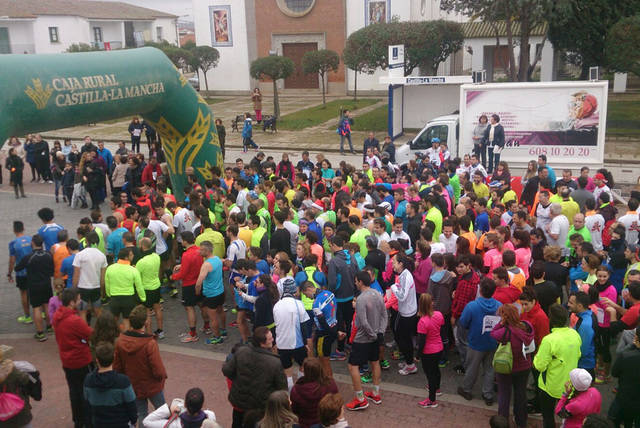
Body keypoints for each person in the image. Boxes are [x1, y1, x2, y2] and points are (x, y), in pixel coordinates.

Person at [222, 326, 287, 428]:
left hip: (240, 402)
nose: (273, 340)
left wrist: (238, 380)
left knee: (237, 423)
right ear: (262, 343)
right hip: (260, 407)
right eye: (270, 339)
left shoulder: (241, 352)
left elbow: (227, 370)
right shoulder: (274, 362)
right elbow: (282, 388)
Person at [114, 304, 168, 423]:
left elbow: (117, 367)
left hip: (134, 385)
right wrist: (162, 377)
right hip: (152, 385)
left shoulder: (120, 341)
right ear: (145, 322)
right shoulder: (150, 343)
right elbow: (158, 369)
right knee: (163, 413)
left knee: (142, 416)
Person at [533, 304, 582, 428]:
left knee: (548, 417)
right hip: (570, 385)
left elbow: (539, 366)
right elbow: (578, 354)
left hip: (549, 386)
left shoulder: (549, 340)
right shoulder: (575, 334)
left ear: (551, 320)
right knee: (568, 417)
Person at [345, 271, 387, 411]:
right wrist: (380, 332)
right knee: (375, 363)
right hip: (375, 335)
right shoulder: (377, 294)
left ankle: (360, 399)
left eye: (356, 281)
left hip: (363, 338)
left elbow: (362, 322)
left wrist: (372, 334)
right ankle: (375, 393)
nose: (355, 283)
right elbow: (384, 315)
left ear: (361, 282)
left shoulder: (361, 299)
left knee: (353, 366)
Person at [53, 288, 94, 428]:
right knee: (86, 392)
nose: (80, 301)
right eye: (78, 299)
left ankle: (78, 420)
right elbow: (89, 334)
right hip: (81, 360)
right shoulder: (74, 320)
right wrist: (82, 315)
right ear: (72, 302)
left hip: (67, 360)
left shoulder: (57, 316)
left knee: (74, 391)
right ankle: (88, 420)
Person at [457, 278, 502, 406]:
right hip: (493, 342)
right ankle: (487, 394)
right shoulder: (499, 306)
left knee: (472, 367)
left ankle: (466, 389)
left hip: (475, 342)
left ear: (480, 290)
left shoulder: (472, 306)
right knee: (489, 369)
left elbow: (463, 323)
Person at [490, 304, 535, 428]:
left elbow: (493, 333)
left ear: (505, 317)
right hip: (524, 366)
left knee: (504, 394)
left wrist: (501, 323)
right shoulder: (527, 327)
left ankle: (503, 422)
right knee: (521, 393)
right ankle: (521, 421)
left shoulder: (504, 332)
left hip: (506, 368)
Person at [84, 341, 138, 428]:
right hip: (121, 424)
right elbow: (131, 405)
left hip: (98, 423)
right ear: (114, 357)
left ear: (97, 360)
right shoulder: (123, 381)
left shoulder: (88, 380)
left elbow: (87, 405)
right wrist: (134, 420)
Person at [273, 278, 310, 392]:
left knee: (287, 371)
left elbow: (276, 325)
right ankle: (300, 391)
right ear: (294, 291)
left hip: (282, 343)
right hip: (297, 343)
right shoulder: (298, 304)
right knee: (302, 366)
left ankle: (289, 394)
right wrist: (306, 343)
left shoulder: (277, 305)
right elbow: (304, 326)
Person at [15, 234, 54, 341]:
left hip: (34, 285)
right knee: (47, 305)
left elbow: (18, 268)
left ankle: (40, 333)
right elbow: (52, 270)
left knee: (36, 307)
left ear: (32, 243)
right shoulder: (48, 254)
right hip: (46, 284)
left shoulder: (28, 257)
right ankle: (50, 327)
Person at [172, 231, 204, 343]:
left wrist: (173, 277)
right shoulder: (199, 250)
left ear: (185, 241)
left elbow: (183, 274)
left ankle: (193, 334)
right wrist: (182, 265)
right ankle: (207, 326)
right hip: (199, 282)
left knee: (189, 308)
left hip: (189, 285)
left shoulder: (186, 255)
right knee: (201, 305)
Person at [290, 358, 339, 428]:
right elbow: (336, 402)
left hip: (305, 424)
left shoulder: (297, 389)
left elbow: (295, 410)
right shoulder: (330, 384)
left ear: (305, 371)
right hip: (326, 423)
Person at [390, 254, 418, 375]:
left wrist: (393, 287)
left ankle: (410, 365)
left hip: (407, 313)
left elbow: (401, 296)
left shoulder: (406, 276)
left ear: (401, 264)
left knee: (403, 339)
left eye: (394, 262)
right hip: (406, 311)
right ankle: (408, 361)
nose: (392, 264)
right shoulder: (403, 274)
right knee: (402, 337)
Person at [416, 293, 444, 408]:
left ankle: (432, 400)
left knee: (430, 374)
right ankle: (437, 388)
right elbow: (440, 330)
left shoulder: (422, 322)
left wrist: (417, 355)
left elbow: (421, 342)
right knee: (436, 370)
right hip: (439, 348)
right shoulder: (439, 315)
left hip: (428, 352)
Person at [73, 232, 108, 322]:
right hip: (96, 287)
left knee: (82, 312)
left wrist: (74, 290)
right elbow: (102, 278)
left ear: (86, 241)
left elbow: (76, 275)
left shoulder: (80, 255)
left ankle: (84, 335)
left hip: (82, 287)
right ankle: (101, 333)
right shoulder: (102, 256)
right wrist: (102, 292)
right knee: (98, 311)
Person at [196, 240, 227, 345]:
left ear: (206, 251)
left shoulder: (206, 265)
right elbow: (224, 261)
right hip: (220, 291)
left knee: (213, 318)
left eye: (201, 250)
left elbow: (199, 282)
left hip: (211, 294)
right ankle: (223, 329)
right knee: (221, 311)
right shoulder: (217, 259)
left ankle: (217, 337)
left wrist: (197, 291)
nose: (199, 252)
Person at [609, 326, 640, 428]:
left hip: (625, 396)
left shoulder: (626, 356)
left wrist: (632, 346)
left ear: (636, 337)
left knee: (616, 419)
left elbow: (614, 373)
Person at [143, 388, 218, 428]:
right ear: (203, 404)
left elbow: (146, 422)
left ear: (185, 404)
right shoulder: (210, 417)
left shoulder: (173, 424)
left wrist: (169, 409)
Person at [8, 221, 33, 324]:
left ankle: (27, 316)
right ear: (23, 228)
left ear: (14, 230)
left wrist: (9, 273)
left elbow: (12, 260)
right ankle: (41, 312)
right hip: (33, 271)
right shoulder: (31, 239)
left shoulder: (13, 243)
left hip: (21, 273)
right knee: (34, 292)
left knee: (23, 293)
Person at [567, 291, 596, 377]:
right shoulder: (588, 314)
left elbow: (582, 350)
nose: (568, 304)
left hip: (584, 366)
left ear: (580, 306)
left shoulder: (585, 325)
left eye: (571, 303)